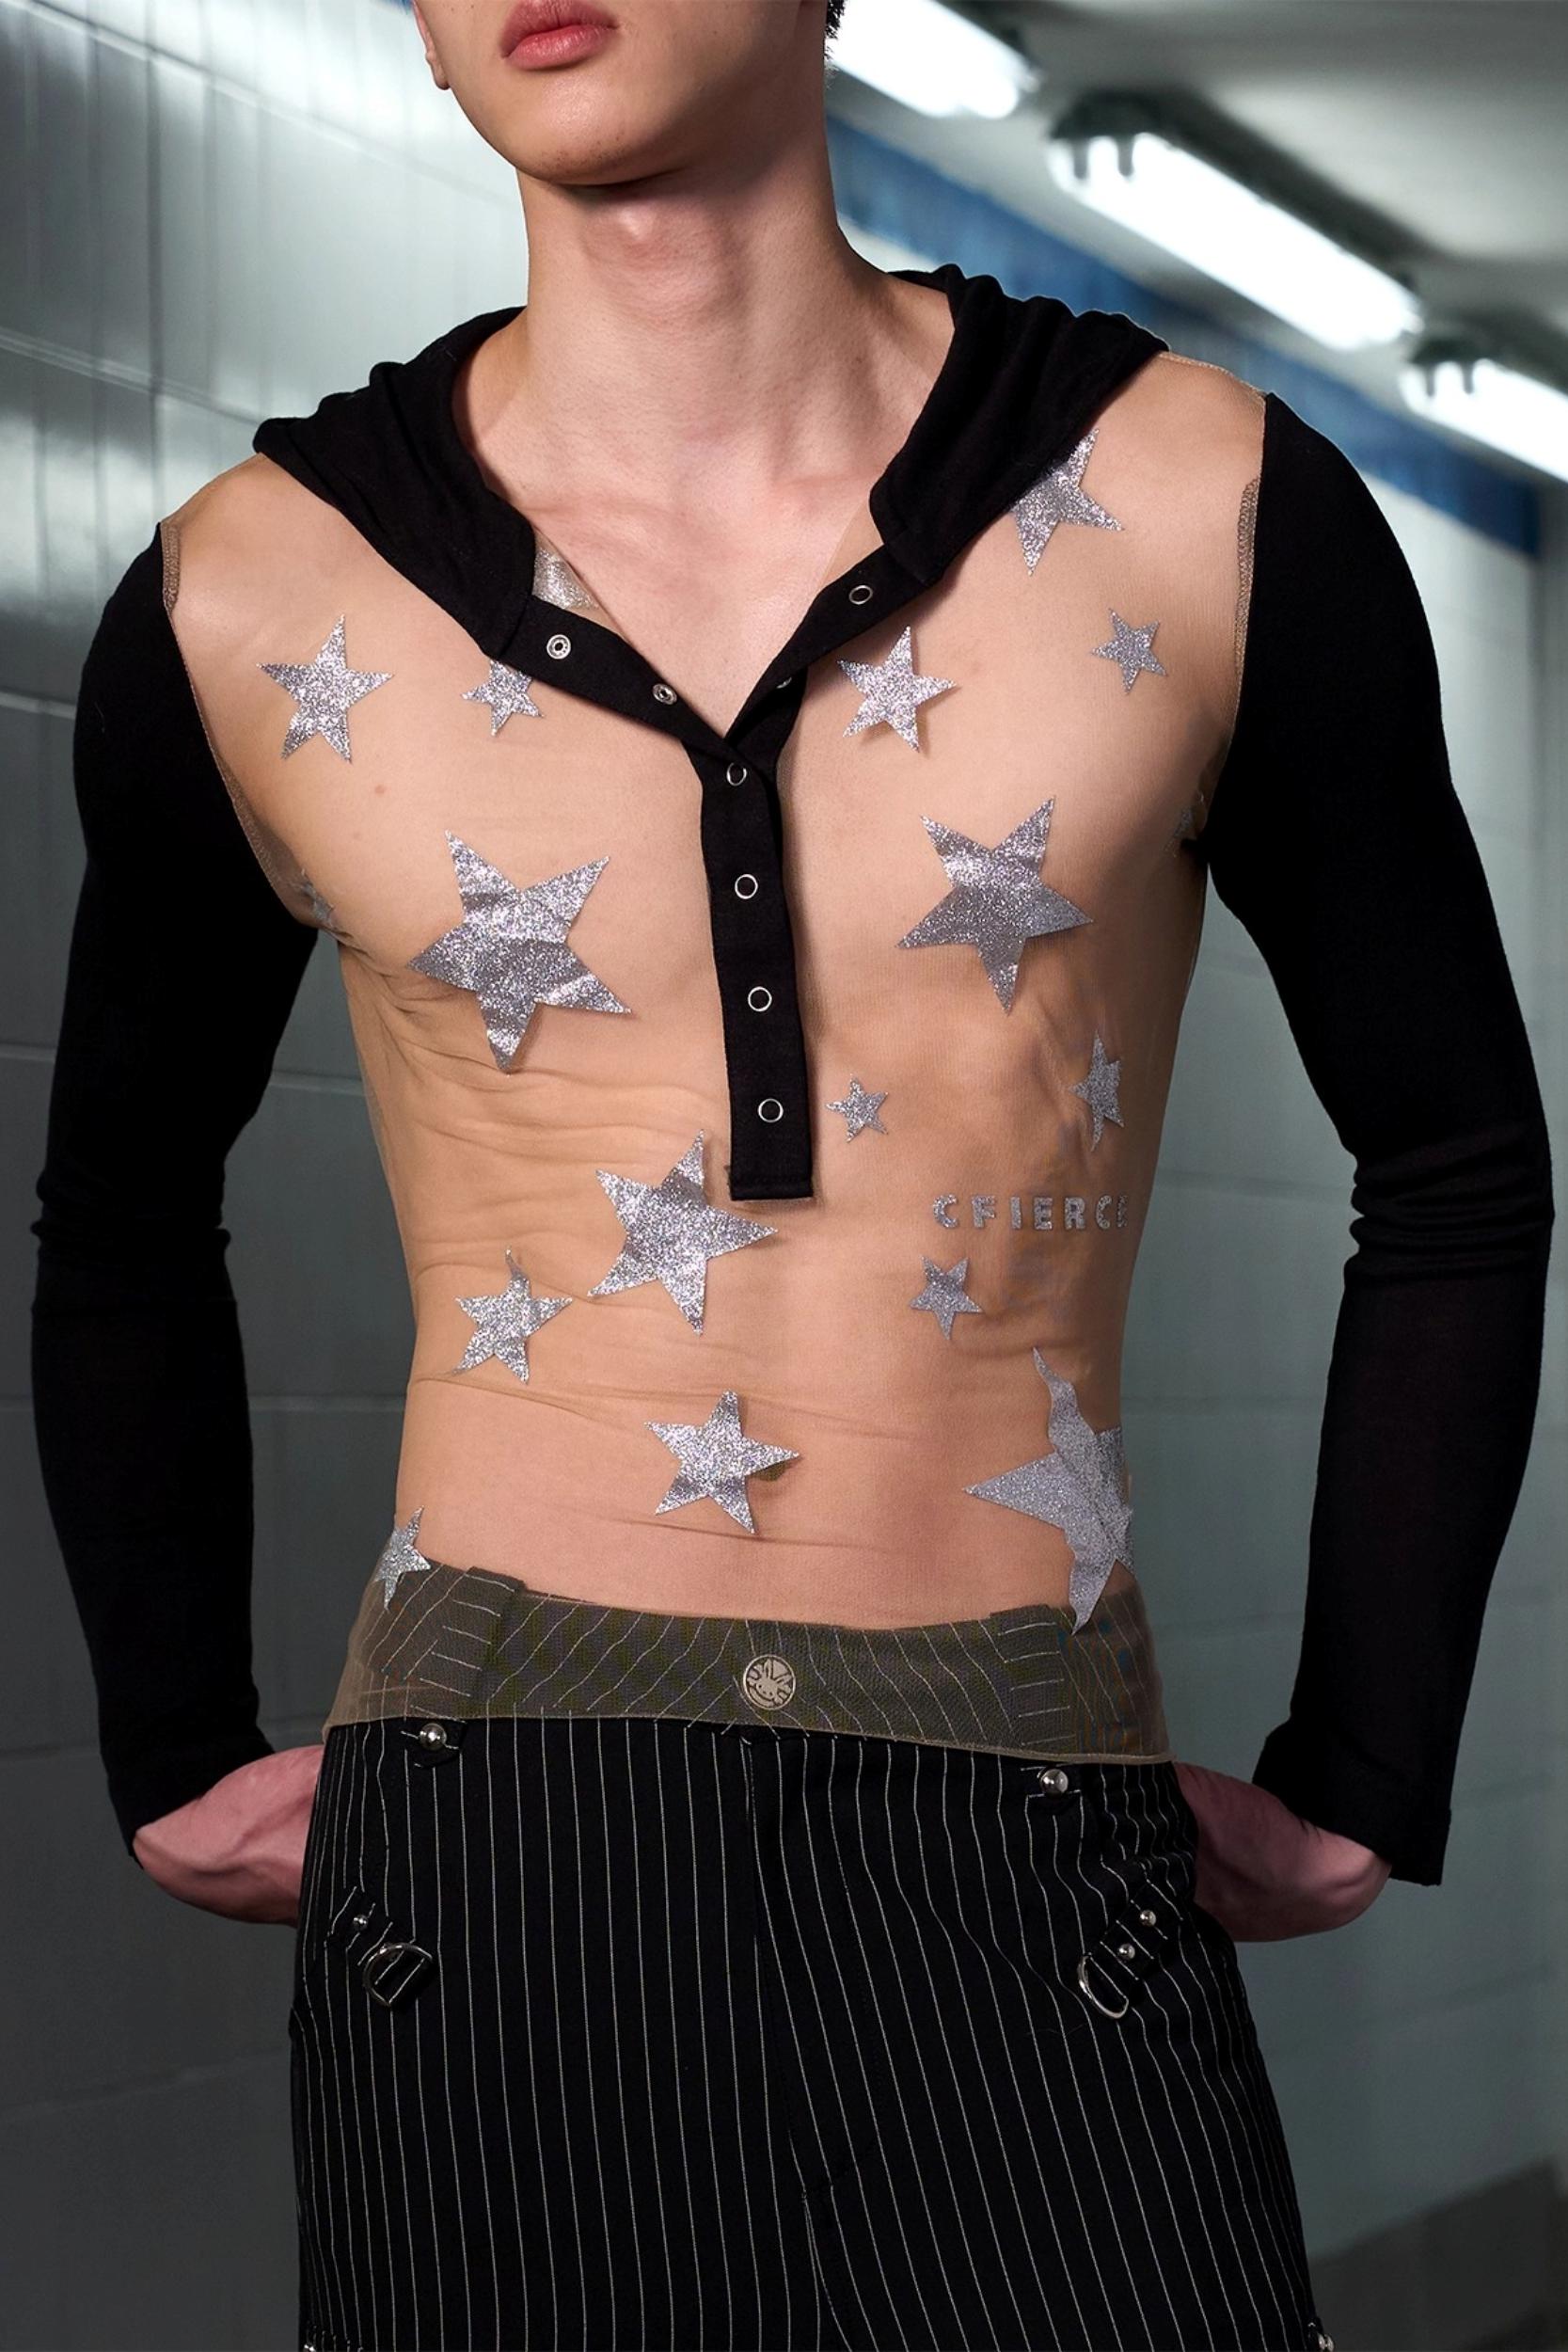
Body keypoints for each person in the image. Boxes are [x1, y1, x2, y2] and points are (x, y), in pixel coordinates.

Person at [29, 2, 1554, 2347]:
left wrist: (1372, 1752)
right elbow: (121, 1208)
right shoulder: (255, 590)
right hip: (496, 1810)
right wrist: (166, 1733)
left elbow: (1452, 1157)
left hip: (1028, 1806)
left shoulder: (1200, 499)